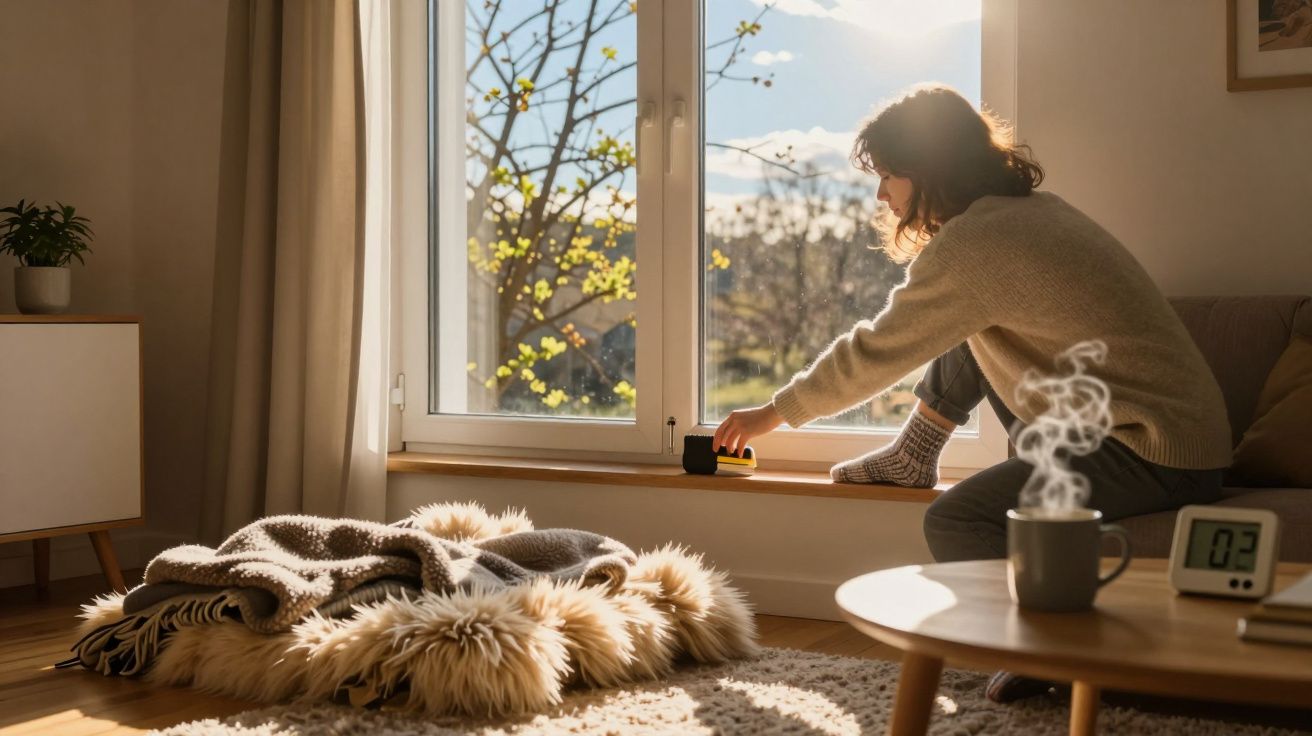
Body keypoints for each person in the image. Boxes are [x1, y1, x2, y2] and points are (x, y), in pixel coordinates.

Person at [710, 85, 1232, 702]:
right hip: (1159, 435)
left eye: (888, 175)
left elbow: (877, 349)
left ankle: (1050, 656)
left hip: (1150, 447)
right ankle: (916, 452)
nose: (881, 194)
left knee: (958, 518)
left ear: (928, 170)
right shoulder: (1025, 215)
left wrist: (774, 413)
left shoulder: (979, 243)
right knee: (966, 323)